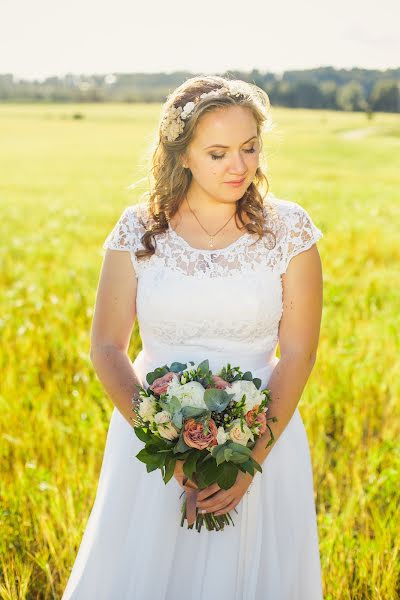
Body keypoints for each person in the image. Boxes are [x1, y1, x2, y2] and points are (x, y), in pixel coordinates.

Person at [62, 75, 324, 599]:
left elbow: (298, 352)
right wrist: (168, 446)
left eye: (250, 148)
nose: (240, 166)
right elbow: (107, 348)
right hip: (153, 443)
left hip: (262, 435)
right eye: (219, 152)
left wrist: (249, 461)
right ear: (181, 155)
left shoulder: (289, 230)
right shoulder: (137, 231)